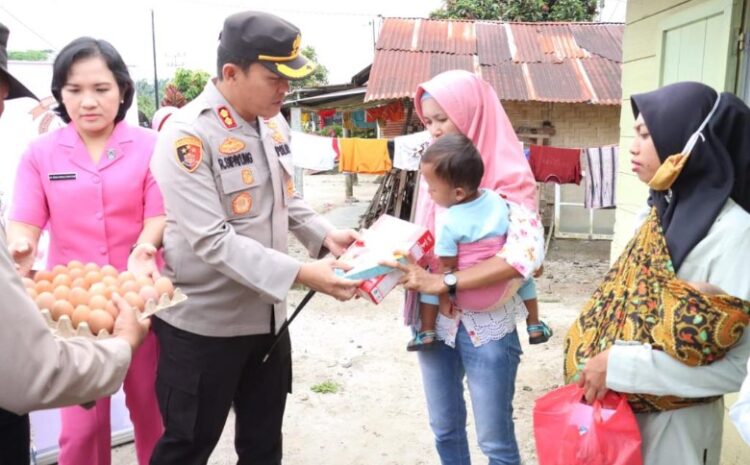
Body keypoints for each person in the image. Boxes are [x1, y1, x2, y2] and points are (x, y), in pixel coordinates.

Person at [148, 11, 361, 464]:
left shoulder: (272, 122)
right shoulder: (187, 136)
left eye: (289, 78)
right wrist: (305, 272)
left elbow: (286, 198)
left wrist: (326, 237)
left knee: (264, 446)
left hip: (266, 322)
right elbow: (212, 240)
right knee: (187, 446)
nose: (285, 89)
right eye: (274, 78)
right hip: (204, 326)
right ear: (231, 73)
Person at [571, 81, 750, 465]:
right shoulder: (654, 213)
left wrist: (619, 366)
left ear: (686, 140)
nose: (633, 147)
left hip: (676, 436)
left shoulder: (735, 233)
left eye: (646, 134)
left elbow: (737, 371)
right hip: (614, 422)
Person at [7, 37, 165, 465]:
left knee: (153, 411)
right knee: (80, 428)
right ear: (59, 93)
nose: (88, 101)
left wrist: (146, 247)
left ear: (122, 90)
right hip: (71, 310)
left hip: (140, 295)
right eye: (74, 90)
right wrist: (21, 244)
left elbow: (158, 214)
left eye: (101, 88)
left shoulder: (152, 147)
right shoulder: (40, 154)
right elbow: (25, 220)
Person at [385, 70, 545, 465]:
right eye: (428, 121)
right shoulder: (436, 170)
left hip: (486, 324)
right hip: (434, 323)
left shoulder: (510, 177)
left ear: (473, 115)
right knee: (445, 430)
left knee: (496, 443)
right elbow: (426, 240)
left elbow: (524, 259)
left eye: (442, 119)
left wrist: (445, 282)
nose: (434, 130)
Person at [409, 133, 524, 351]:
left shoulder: (449, 221)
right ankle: (535, 323)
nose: (429, 193)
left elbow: (447, 267)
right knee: (529, 280)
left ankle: (426, 331)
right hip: (501, 290)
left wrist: (445, 299)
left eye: (432, 188)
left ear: (458, 193)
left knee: (430, 280)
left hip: (468, 295)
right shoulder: (496, 199)